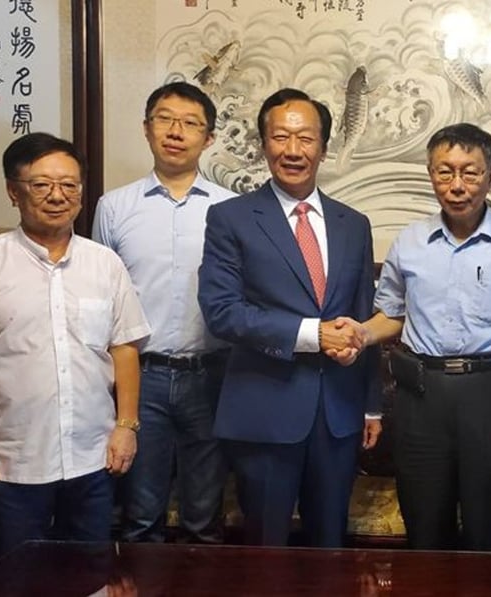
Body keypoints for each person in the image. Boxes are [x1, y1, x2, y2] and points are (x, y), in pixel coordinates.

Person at [330, 122, 491, 551]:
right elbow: (394, 317)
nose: (457, 185)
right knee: (423, 525)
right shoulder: (410, 243)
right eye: (445, 171)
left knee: (487, 528)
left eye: (470, 172)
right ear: (430, 174)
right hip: (422, 396)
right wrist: (361, 334)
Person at [197, 88, 381, 547]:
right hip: (264, 409)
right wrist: (311, 335)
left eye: (306, 138)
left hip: (337, 413)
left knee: (329, 546)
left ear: (324, 146)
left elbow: (363, 316)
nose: (293, 150)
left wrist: (371, 403)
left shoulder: (352, 223)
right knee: (266, 550)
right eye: (280, 137)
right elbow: (222, 312)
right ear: (264, 144)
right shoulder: (230, 218)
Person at [0, 132, 151, 557]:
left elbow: (124, 347)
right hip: (10, 462)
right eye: (42, 184)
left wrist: (126, 426)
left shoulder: (104, 264)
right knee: (14, 576)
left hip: (92, 459)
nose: (57, 195)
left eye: (69, 185)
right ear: (14, 192)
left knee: (90, 574)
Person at [93, 82, 236, 544]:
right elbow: (100, 298)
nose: (176, 131)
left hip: (212, 375)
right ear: (147, 128)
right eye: (165, 119)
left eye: (190, 123)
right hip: (141, 377)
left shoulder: (230, 210)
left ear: (209, 138)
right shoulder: (114, 207)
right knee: (140, 516)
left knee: (204, 519)